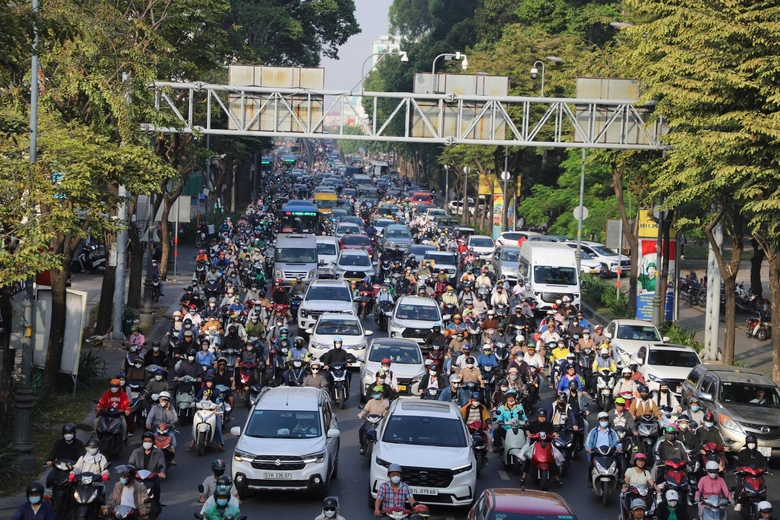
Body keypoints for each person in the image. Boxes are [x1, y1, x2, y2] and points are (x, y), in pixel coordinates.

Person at [519, 409, 563, 486]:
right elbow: (527, 430)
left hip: (547, 444)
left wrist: (555, 434)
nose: (542, 418)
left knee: (554, 458)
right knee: (529, 458)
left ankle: (556, 477)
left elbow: (553, 431)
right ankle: (524, 475)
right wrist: (529, 433)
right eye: (540, 417)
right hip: (535, 444)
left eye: (543, 417)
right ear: (537, 417)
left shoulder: (549, 424)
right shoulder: (533, 424)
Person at [128, 431, 166, 506]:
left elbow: (162, 463)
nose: (147, 443)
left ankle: (157, 503)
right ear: (142, 442)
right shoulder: (136, 452)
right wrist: (131, 471)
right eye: (145, 441)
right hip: (138, 477)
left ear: (153, 442)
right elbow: (130, 463)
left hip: (152, 476)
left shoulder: (159, 453)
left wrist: (162, 472)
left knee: (156, 487)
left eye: (149, 441)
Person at [585, 411, 620, 488]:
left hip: (609, 453)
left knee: (618, 465)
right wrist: (588, 448)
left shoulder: (612, 432)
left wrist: (618, 448)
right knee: (591, 467)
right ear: (598, 421)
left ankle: (618, 481)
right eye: (602, 420)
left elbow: (617, 442)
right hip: (597, 453)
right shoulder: (594, 431)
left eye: (605, 420)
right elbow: (589, 442)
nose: (604, 422)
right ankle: (590, 481)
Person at [189, 375, 224, 451]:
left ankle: (219, 443)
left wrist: (220, 403)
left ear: (213, 383)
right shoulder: (203, 389)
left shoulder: (217, 390)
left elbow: (221, 397)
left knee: (217, 426)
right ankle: (192, 442)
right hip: (202, 410)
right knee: (194, 425)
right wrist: (194, 401)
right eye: (207, 382)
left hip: (212, 411)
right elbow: (197, 397)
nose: (209, 384)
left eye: (210, 382)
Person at [734, 433, 767, 512]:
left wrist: (767, 469)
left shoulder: (759, 455)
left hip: (757, 476)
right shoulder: (742, 453)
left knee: (763, 486)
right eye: (749, 443)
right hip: (744, 475)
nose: (751, 445)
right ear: (746, 443)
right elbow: (737, 463)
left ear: (756, 444)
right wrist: (738, 468)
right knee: (740, 485)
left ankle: (763, 501)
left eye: (753, 443)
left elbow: (764, 464)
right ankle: (739, 502)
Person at [45, 423, 85, 488]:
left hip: (73, 468)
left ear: (74, 433)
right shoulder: (58, 443)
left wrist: (78, 464)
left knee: (80, 482)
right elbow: (53, 453)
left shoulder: (79, 444)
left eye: (70, 433)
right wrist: (50, 460)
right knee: (50, 478)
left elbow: (82, 456)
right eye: (66, 433)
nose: (68, 435)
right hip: (60, 467)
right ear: (63, 434)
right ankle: (51, 492)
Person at [145, 390, 178, 455]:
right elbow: (150, 417)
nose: (164, 401)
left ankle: (170, 459)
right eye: (162, 400)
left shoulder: (171, 408)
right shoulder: (154, 408)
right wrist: (148, 423)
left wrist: (168, 411)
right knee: (151, 443)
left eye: (166, 400)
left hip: (168, 430)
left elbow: (175, 420)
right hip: (157, 430)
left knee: (174, 444)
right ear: (159, 399)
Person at [358, 386, 389, 454]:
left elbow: (386, 412)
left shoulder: (385, 403)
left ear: (381, 394)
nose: (375, 394)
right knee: (361, 430)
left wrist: (384, 416)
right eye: (374, 393)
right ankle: (362, 446)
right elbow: (365, 409)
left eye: (377, 393)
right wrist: (361, 414)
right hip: (369, 420)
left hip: (380, 422)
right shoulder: (370, 402)